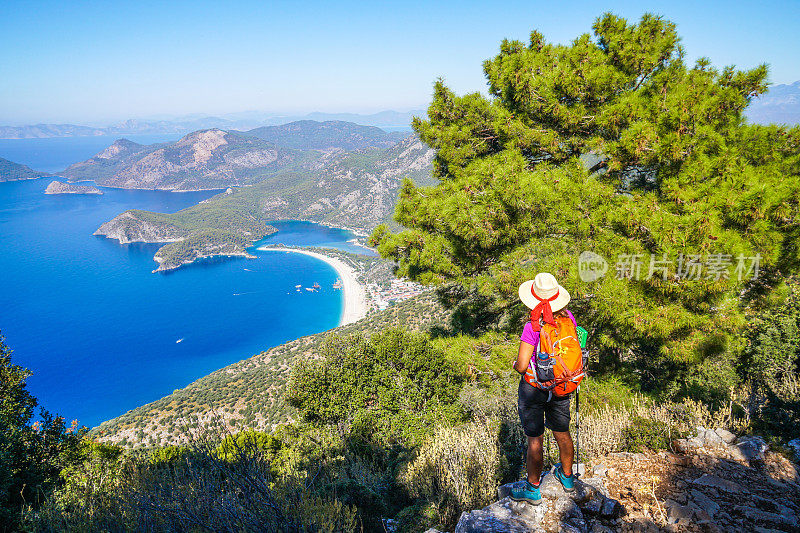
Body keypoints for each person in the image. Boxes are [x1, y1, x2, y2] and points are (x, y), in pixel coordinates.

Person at [510, 272, 576, 505]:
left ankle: (532, 489)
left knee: (535, 440)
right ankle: (567, 478)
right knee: (562, 433)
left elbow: (521, 366)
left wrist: (515, 364)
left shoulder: (533, 326)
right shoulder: (568, 319)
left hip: (534, 389)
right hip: (561, 386)